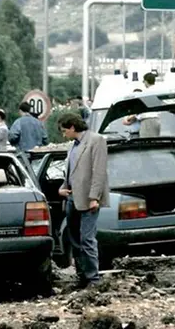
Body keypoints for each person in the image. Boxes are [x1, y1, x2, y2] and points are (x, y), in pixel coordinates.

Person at [57, 112, 109, 288]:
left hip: (88, 199)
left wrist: (94, 197)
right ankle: (82, 276)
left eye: (65, 131)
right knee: (74, 240)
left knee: (87, 239)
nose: (64, 135)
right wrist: (62, 188)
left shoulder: (96, 140)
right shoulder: (73, 146)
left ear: (72, 127)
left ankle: (93, 279)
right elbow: (71, 171)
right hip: (72, 197)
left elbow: (99, 171)